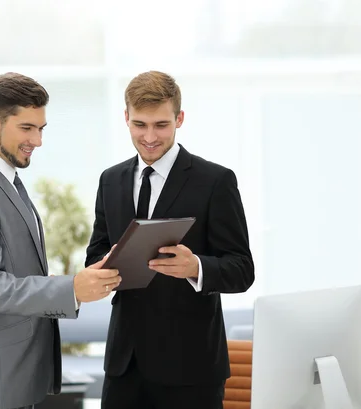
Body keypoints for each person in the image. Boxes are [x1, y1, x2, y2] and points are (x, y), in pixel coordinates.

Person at [0, 72, 121, 409]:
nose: (37, 140)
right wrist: (70, 290)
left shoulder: (6, 182)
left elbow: (11, 272)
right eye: (27, 128)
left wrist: (67, 283)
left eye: (41, 129)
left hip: (9, 379)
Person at [85, 70, 255, 409]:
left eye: (161, 125)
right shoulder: (110, 180)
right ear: (126, 118)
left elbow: (242, 269)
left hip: (191, 368)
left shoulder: (215, 181)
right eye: (140, 124)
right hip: (124, 365)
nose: (149, 136)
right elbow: (96, 252)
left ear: (179, 118)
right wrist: (103, 266)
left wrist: (196, 267)